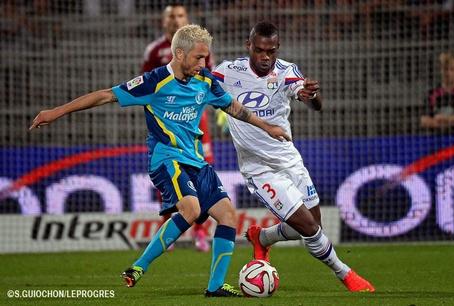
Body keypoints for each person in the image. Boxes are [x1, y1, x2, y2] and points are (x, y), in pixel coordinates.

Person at [29, 24, 290, 297]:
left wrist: (267, 127)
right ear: (179, 54)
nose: (204, 63)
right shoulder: (154, 82)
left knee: (227, 216)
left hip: (196, 161)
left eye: (206, 57)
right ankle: (138, 267)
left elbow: (233, 107)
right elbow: (106, 95)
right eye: (198, 57)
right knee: (190, 209)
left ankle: (215, 287)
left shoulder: (205, 80)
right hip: (166, 159)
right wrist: (56, 112)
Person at [212, 21, 375, 293]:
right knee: (310, 228)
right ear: (249, 46)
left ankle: (261, 238)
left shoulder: (286, 72)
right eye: (260, 50)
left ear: (277, 49)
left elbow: (312, 101)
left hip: (290, 160)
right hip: (258, 168)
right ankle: (345, 273)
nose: (266, 57)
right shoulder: (227, 72)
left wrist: (311, 95)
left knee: (313, 227)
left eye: (271, 51)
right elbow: (199, 90)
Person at [142, 3, 214, 252]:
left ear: (187, 18)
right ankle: (166, 227)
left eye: (180, 15)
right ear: (164, 22)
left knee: (201, 173)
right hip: (168, 123)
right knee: (169, 175)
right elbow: (147, 88)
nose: (175, 20)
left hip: (195, 123)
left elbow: (209, 83)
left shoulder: (199, 49)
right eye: (171, 16)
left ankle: (201, 233)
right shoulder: (154, 51)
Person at [420, 52, 454, 130]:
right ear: (441, 70)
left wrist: (445, 119)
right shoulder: (432, 94)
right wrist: (453, 121)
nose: (448, 73)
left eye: (452, 69)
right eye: (445, 69)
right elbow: (424, 121)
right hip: (437, 140)